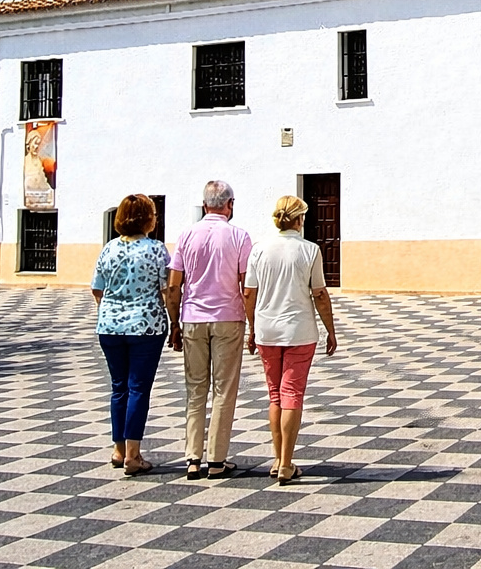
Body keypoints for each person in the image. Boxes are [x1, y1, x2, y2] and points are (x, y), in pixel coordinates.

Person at [245, 195, 338, 484]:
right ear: (299, 220)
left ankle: (277, 458)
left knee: (275, 394)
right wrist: (330, 329)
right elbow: (319, 294)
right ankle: (286, 462)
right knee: (292, 394)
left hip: (267, 330)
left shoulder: (259, 249)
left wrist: (252, 327)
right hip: (299, 331)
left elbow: (249, 292)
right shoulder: (309, 250)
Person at [166, 180, 253, 479]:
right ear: (229, 205)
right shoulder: (239, 236)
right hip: (228, 316)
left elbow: (174, 285)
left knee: (195, 388)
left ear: (205, 205)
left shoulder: (187, 235)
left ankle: (192, 456)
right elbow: (246, 285)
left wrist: (173, 323)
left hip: (192, 317)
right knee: (224, 389)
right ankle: (216, 459)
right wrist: (253, 323)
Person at [91, 194, 170, 475]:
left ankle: (118, 448)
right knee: (138, 388)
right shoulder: (156, 250)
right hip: (146, 325)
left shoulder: (108, 249)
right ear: (147, 219)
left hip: (110, 326)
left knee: (118, 388)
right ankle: (134, 455)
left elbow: (97, 288)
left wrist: (111, 309)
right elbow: (166, 288)